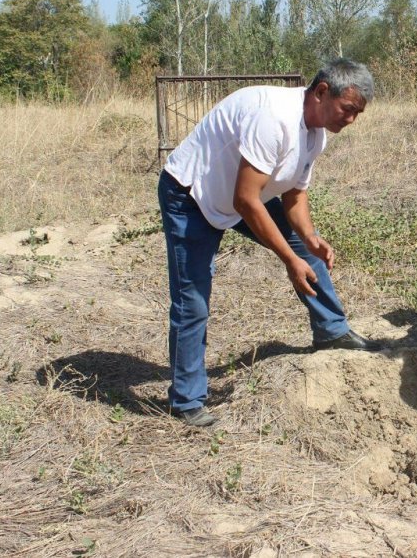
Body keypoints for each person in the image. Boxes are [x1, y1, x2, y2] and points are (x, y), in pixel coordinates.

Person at [158, 59, 381, 427]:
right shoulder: (274, 118)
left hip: (241, 197)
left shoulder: (316, 132)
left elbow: (294, 195)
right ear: (322, 91)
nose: (352, 119)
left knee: (308, 250)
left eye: (358, 113)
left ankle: (332, 331)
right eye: (348, 109)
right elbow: (245, 201)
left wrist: (309, 238)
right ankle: (186, 401)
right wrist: (289, 260)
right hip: (192, 195)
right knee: (192, 299)